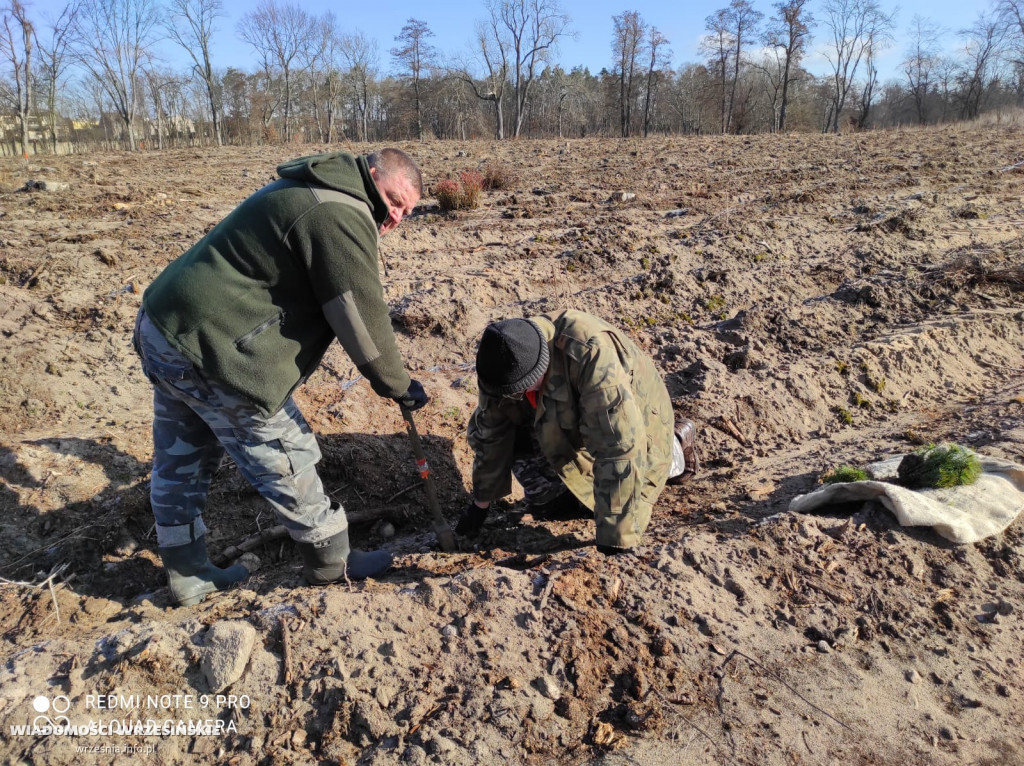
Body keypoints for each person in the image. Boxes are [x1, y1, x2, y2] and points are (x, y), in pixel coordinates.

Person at [133, 148, 428, 606]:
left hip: (166, 330)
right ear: (372, 177)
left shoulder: (314, 187)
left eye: (405, 212)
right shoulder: (339, 212)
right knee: (284, 449)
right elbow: (359, 315)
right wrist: (397, 385)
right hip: (216, 349)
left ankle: (187, 575)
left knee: (181, 453)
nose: (394, 216)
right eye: (393, 201)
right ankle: (332, 563)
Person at [458, 310, 698, 553]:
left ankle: (674, 446)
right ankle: (573, 490)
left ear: (540, 367)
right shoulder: (496, 366)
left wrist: (615, 541)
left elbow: (619, 445)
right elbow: (493, 433)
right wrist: (480, 506)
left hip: (638, 416)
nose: (514, 397)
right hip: (564, 420)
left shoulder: (590, 355)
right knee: (549, 503)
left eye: (519, 391)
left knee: (642, 478)